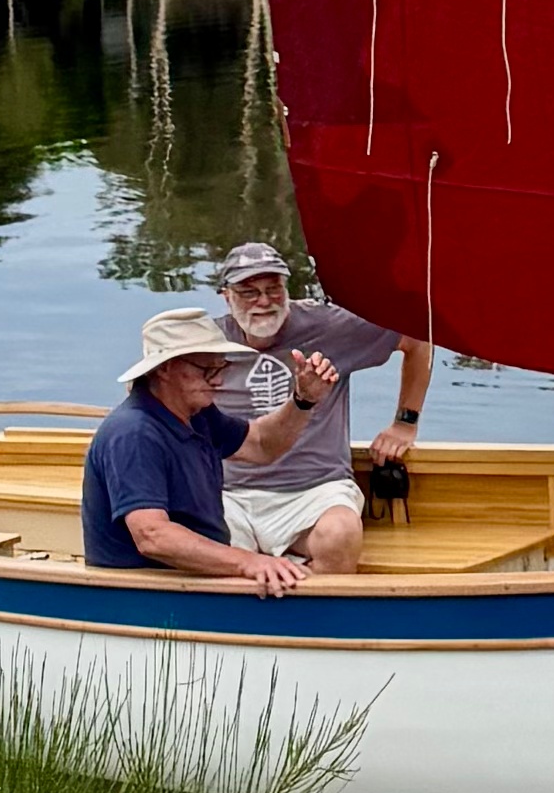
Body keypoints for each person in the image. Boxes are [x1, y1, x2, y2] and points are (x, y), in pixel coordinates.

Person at [207, 241, 433, 574]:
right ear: (226, 296)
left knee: (339, 535)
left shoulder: (330, 326)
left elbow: (418, 338)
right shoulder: (206, 341)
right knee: (202, 546)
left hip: (315, 489)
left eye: (273, 289)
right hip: (228, 491)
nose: (264, 301)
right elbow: (157, 387)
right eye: (249, 292)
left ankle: (307, 598)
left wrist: (405, 423)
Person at [78, 306, 341, 591]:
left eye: (221, 367)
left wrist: (303, 401)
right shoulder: (134, 433)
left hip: (192, 582)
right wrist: (248, 562)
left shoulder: (198, 414)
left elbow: (262, 445)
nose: (218, 380)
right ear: (165, 369)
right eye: (207, 370)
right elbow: (152, 535)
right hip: (145, 593)